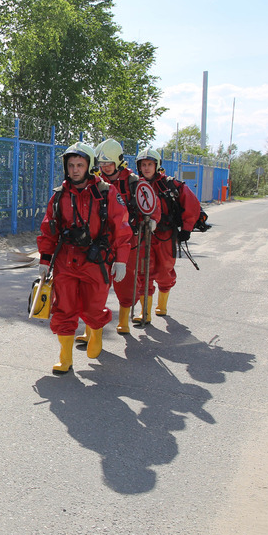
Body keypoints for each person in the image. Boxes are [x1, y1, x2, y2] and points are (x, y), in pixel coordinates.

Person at [37, 142, 132, 374]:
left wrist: (121, 259)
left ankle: (96, 335)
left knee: (93, 308)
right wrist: (44, 260)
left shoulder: (106, 193)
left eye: (80, 164)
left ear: (89, 166)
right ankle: (65, 357)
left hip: (95, 260)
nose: (75, 169)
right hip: (66, 261)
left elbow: (121, 225)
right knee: (64, 309)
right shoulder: (59, 196)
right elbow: (49, 228)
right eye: (71, 165)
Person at [94, 139, 160, 335]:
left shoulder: (134, 182)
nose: (105, 168)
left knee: (126, 281)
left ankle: (123, 319)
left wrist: (153, 219)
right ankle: (92, 327)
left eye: (108, 163)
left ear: (119, 161)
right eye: (101, 164)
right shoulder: (97, 182)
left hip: (129, 240)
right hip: (102, 239)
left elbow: (150, 203)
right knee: (95, 282)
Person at [136, 149, 200, 321]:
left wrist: (186, 228)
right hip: (143, 235)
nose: (147, 168)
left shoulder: (171, 185)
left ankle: (162, 305)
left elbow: (192, 204)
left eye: (150, 164)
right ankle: (145, 312)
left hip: (165, 235)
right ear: (139, 166)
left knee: (165, 270)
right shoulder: (134, 185)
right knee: (143, 271)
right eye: (143, 164)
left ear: (157, 166)